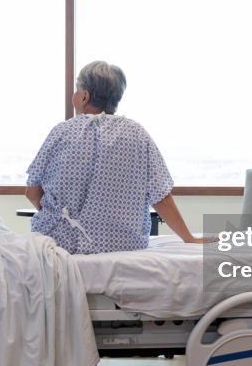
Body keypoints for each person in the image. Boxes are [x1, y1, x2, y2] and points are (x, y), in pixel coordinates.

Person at [25, 60, 208, 254]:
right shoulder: (137, 134)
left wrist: (60, 218)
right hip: (125, 245)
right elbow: (161, 196)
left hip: (63, 245)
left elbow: (32, 192)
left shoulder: (62, 132)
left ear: (84, 96)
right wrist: (189, 238)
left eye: (77, 89)